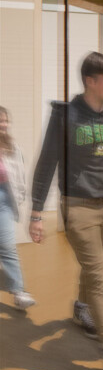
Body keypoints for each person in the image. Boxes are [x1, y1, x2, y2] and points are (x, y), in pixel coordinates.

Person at [29, 51, 103, 370]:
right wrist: (35, 212)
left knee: (95, 265)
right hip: (78, 208)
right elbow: (47, 163)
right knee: (98, 277)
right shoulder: (66, 117)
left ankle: (80, 308)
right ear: (90, 81)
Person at [0, 106, 36, 310]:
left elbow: (20, 174)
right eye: (0, 121)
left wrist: (20, 196)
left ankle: (18, 291)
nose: (4, 125)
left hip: (4, 197)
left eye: (6, 121)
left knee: (6, 245)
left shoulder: (12, 147)